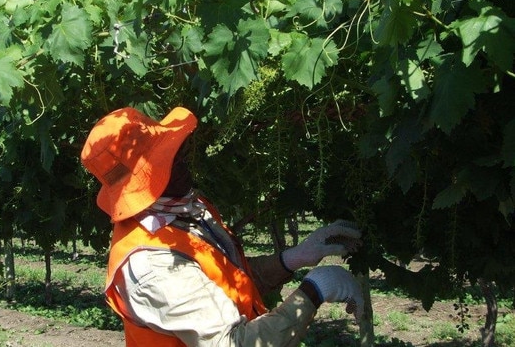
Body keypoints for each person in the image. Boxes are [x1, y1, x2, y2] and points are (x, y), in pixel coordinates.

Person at [80, 106, 365, 346]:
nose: (181, 162)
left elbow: (226, 279)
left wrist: (293, 258)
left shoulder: (182, 207)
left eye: (174, 152)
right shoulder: (149, 265)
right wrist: (315, 290)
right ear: (141, 185)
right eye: (165, 161)